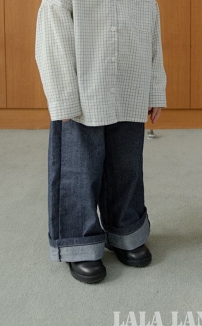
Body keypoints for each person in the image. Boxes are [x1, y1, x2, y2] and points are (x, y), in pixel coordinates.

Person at [36, 0, 167, 283]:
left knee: (127, 166)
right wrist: (62, 96)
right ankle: (78, 242)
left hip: (130, 85)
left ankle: (126, 230)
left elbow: (153, 35)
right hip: (83, 92)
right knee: (77, 170)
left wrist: (155, 89)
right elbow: (52, 37)